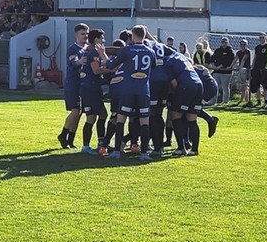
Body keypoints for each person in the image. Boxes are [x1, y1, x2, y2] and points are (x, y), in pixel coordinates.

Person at [101, 25, 158, 160]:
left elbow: (110, 65)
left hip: (128, 90)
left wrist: (103, 55)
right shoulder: (150, 52)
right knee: (144, 122)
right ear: (144, 36)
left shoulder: (127, 50)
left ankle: (116, 152)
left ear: (132, 36)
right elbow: (153, 67)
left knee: (121, 120)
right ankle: (144, 153)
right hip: (144, 90)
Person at [163, 50, 204, 155]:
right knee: (192, 119)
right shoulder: (181, 57)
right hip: (198, 84)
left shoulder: (168, 61)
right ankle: (194, 149)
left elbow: (174, 83)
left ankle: (181, 148)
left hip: (185, 86)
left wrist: (176, 97)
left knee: (175, 116)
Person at [78, 28, 110, 154]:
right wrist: (112, 70)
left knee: (103, 114)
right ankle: (85, 146)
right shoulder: (93, 53)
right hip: (89, 88)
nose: (104, 40)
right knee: (91, 117)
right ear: (96, 39)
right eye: (102, 38)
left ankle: (101, 143)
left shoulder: (91, 52)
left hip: (93, 87)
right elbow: (96, 70)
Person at [58, 23, 88, 149]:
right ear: (76, 34)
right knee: (75, 111)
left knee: (80, 113)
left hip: (83, 83)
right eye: (82, 34)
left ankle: (70, 140)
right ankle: (63, 134)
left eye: (86, 34)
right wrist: (79, 62)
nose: (85, 36)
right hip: (73, 83)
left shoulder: (87, 48)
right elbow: (73, 62)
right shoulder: (73, 48)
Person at [211, 36, 235, 104]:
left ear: (227, 43)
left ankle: (225, 102)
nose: (224, 44)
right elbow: (212, 58)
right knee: (215, 87)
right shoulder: (217, 50)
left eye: (225, 43)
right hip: (217, 72)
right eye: (223, 42)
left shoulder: (230, 51)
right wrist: (214, 66)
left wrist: (221, 66)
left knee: (225, 87)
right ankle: (213, 101)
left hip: (226, 72)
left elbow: (228, 61)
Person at [233, 39, 252, 105]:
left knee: (244, 85)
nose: (242, 46)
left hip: (245, 70)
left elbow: (243, 60)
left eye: (244, 44)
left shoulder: (247, 51)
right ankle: (245, 100)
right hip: (241, 70)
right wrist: (230, 66)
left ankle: (242, 100)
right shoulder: (238, 52)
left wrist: (240, 67)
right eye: (241, 44)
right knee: (244, 86)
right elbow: (235, 59)